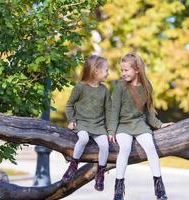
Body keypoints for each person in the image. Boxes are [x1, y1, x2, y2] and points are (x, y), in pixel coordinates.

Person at [108, 52, 174, 200]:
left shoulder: (147, 86)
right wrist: (111, 130)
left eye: (126, 70)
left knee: (150, 147)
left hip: (139, 124)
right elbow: (114, 111)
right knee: (124, 148)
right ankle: (118, 190)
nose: (123, 73)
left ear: (137, 70)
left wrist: (160, 125)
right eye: (122, 70)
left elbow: (149, 111)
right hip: (123, 126)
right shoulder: (119, 86)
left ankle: (160, 189)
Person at [62, 55, 111, 191]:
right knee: (83, 138)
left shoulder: (104, 90)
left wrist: (111, 130)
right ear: (96, 71)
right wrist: (71, 120)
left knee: (105, 146)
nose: (108, 72)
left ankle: (100, 174)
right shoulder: (80, 87)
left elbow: (109, 111)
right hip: (82, 123)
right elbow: (69, 105)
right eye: (106, 70)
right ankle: (73, 165)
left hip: (98, 125)